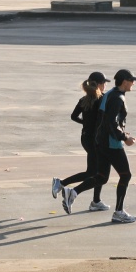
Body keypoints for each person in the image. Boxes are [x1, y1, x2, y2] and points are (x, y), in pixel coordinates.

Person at [61, 69, 136, 224]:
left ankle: (73, 192)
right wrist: (124, 137)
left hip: (100, 142)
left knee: (101, 177)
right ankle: (119, 212)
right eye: (132, 80)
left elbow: (104, 120)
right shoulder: (118, 98)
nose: (133, 83)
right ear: (125, 81)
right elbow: (111, 122)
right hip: (111, 143)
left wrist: (119, 131)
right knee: (126, 175)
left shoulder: (109, 94)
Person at [51, 71, 110, 211]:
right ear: (100, 84)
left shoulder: (84, 99)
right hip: (95, 140)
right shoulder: (101, 99)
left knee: (95, 172)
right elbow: (102, 120)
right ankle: (61, 183)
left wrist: (85, 123)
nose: (106, 85)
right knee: (96, 172)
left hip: (85, 138)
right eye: (105, 83)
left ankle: (96, 201)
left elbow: (73, 116)